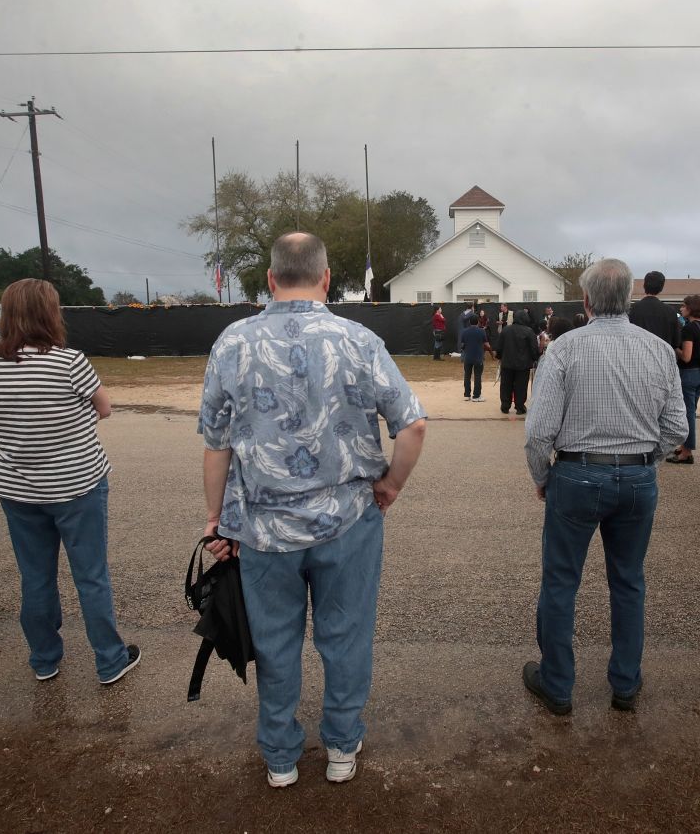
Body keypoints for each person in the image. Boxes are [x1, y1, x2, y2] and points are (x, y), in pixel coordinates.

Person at [198, 232, 427, 787]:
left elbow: (215, 442)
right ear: (326, 278)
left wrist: (215, 519)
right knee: (345, 636)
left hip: (261, 527)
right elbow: (413, 426)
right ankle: (342, 747)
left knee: (275, 642)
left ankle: (281, 757)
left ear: (271, 280)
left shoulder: (233, 342)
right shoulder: (360, 340)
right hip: (348, 521)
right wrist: (391, 487)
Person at [522, 258, 686, 715]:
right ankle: (625, 683)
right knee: (629, 581)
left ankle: (557, 685)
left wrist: (543, 477)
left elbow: (538, 433)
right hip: (636, 478)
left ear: (587, 300)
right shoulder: (657, 350)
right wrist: (642, 460)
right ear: (630, 298)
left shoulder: (564, 349)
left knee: (560, 581)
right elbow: (676, 427)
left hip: (576, 474)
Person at [0, 278, 140, 686]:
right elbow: (104, 408)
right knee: (90, 575)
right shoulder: (69, 361)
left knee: (35, 577)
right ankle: (109, 658)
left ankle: (44, 657)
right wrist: (76, 419)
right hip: (76, 484)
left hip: (18, 487)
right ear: (50, 313)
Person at [667, 294, 700, 465]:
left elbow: (686, 357)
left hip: (689, 373)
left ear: (690, 308)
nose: (681, 309)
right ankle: (685, 446)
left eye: (683, 306)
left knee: (688, 413)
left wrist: (674, 347)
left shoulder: (689, 329)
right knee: (690, 410)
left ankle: (686, 451)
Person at [494, 309, 540, 415]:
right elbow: (533, 348)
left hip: (507, 363)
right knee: (521, 386)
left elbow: (499, 347)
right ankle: (520, 407)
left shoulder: (506, 330)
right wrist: (535, 358)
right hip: (523, 365)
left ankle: (505, 405)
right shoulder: (529, 331)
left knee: (506, 385)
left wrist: (500, 357)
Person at [627, 270, 681, 354]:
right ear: (661, 288)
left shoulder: (633, 309)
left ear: (644, 285)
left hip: (638, 357)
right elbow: (675, 342)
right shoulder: (670, 311)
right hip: (662, 358)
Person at [460, 312, 492, 402]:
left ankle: (467, 395)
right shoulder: (481, 331)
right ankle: (476, 396)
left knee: (467, 375)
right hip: (478, 357)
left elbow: (462, 344)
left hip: (468, 357)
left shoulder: (465, 331)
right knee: (477, 376)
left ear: (469, 322)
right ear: (478, 322)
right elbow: (487, 344)